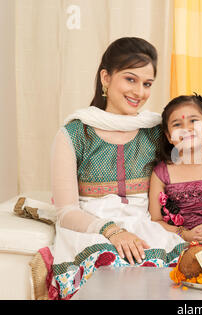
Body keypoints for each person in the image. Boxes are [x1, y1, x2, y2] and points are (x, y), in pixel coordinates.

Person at [30, 37, 186, 300]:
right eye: (130, 79)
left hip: (147, 228)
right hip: (92, 230)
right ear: (105, 77)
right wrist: (112, 231)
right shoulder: (75, 133)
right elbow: (67, 211)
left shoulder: (157, 131)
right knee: (115, 272)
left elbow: (197, 166)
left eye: (147, 84)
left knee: (183, 277)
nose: (139, 92)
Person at [149, 94, 202, 259]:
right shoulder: (161, 173)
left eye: (194, 121)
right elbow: (155, 220)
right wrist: (185, 234)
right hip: (178, 245)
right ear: (169, 136)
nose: (187, 128)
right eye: (177, 124)